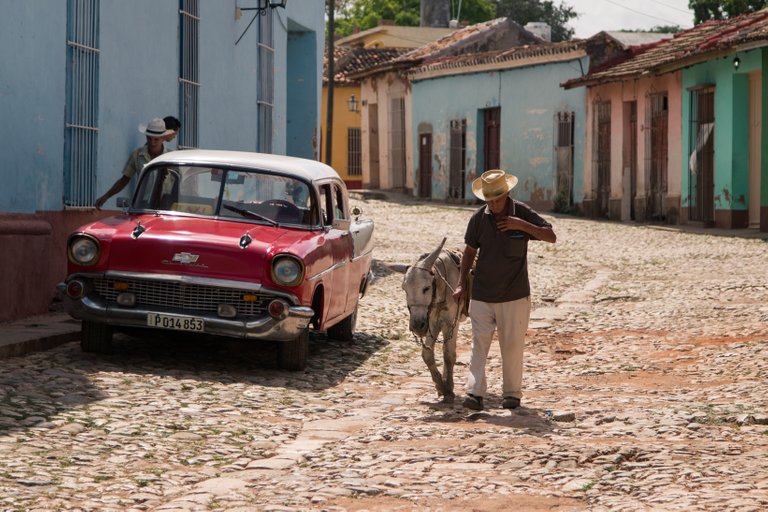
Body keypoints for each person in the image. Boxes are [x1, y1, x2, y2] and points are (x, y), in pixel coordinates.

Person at [452, 170, 556, 411]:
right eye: (488, 199)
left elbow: (550, 236)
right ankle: (474, 393)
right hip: (482, 294)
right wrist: (460, 284)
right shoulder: (478, 219)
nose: (493, 204)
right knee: (479, 345)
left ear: (507, 193)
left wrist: (521, 225)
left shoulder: (521, 212)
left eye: (497, 198)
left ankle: (511, 394)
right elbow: (469, 252)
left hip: (515, 294)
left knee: (512, 346)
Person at [94, 117, 175, 210]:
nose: (152, 143)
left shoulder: (171, 157)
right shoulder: (137, 155)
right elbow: (124, 180)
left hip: (167, 206)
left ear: (163, 138)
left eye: (156, 139)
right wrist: (106, 196)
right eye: (149, 138)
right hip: (143, 205)